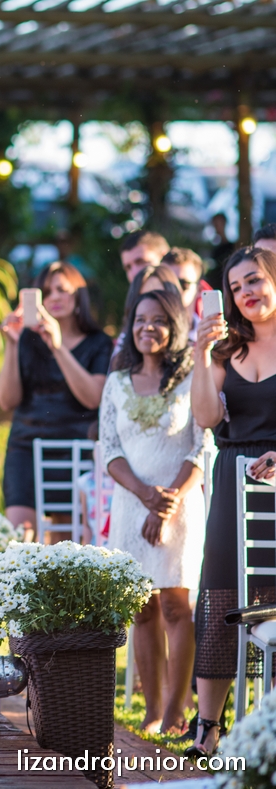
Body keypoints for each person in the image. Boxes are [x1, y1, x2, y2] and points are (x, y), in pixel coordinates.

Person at [100, 286, 209, 735]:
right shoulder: (116, 381)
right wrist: (145, 495)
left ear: (175, 327)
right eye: (142, 320)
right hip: (130, 506)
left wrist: (168, 501)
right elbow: (108, 448)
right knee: (141, 608)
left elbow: (204, 445)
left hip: (181, 506)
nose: (149, 328)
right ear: (132, 327)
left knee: (176, 606)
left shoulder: (189, 379)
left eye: (160, 320)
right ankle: (150, 711)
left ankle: (175, 712)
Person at [187, 246, 276, 757]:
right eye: (236, 286)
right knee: (220, 593)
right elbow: (204, 417)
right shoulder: (225, 352)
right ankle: (208, 726)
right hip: (233, 482)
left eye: (255, 280)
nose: (247, 293)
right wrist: (200, 354)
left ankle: (267, 719)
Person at [0, 262, 114, 539]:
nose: (54, 298)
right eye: (46, 292)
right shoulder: (26, 340)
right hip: (26, 446)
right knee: (19, 539)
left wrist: (58, 346)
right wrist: (12, 344)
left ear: (79, 297)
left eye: (62, 289)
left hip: (75, 448)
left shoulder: (99, 343)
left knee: (67, 544)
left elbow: (93, 398)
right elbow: (6, 400)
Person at [163, 248, 209, 336]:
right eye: (166, 283)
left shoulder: (215, 341)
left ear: (199, 289)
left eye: (183, 284)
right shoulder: (143, 338)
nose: (174, 289)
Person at [206, 213, 233, 289]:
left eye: (218, 224)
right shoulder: (214, 248)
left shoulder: (232, 246)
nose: (216, 227)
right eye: (214, 224)